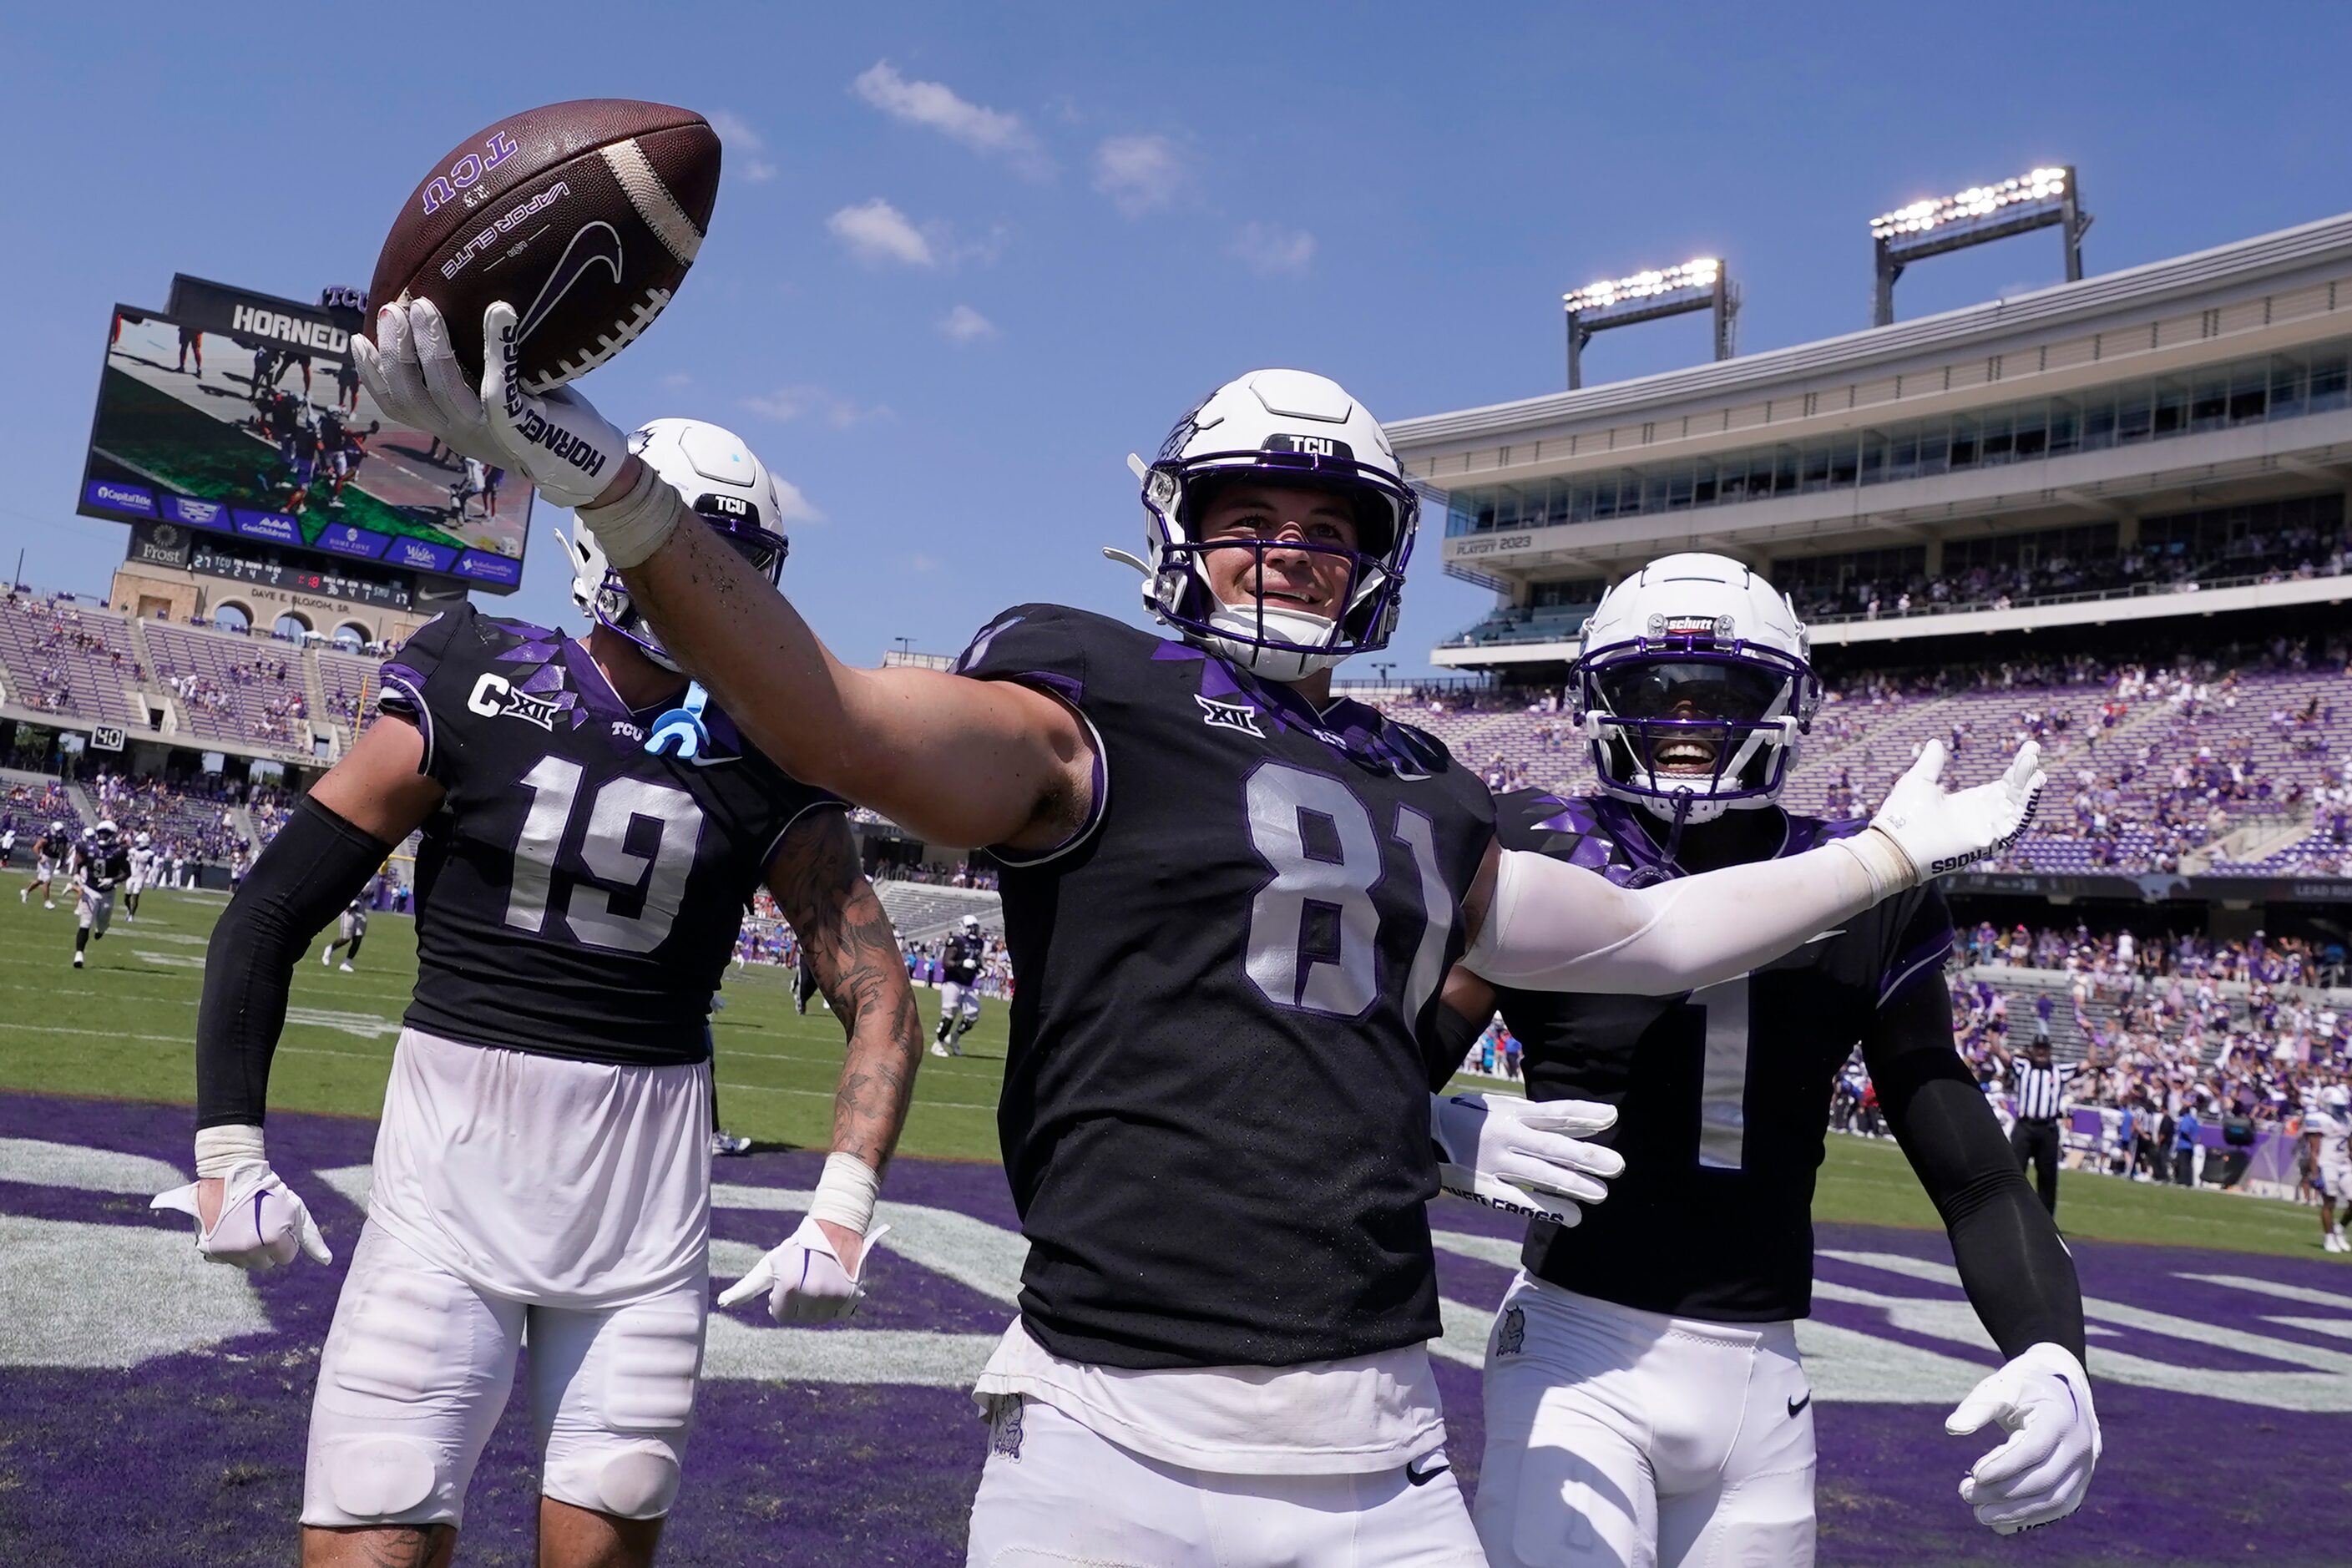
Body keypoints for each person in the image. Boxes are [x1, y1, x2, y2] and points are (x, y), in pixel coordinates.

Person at [361, 298, 2046, 1565]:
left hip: (1378, 1453)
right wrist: (623, 492)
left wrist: (1887, 851)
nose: (1290, 555)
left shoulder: (1422, 780)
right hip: (1110, 1433)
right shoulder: (1086, 690)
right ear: (1177, 522)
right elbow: (828, 724)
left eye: (1330, 534)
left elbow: (1650, 944)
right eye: (1252, 516)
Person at [150, 417, 927, 1568]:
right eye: (670, 542)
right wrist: (227, 1153)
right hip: (443, 1197)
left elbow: (880, 995)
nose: (686, 578)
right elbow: (269, 907)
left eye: (716, 554)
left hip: (643, 1221)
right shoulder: (477, 669)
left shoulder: (772, 746)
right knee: (373, 1531)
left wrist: (843, 1210)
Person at [1434, 555, 2096, 1565]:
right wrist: (1427, 1126)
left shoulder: (1878, 883)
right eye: (1651, 689)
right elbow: (1372, 1070)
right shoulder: (1535, 843)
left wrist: (2050, 1347)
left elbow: (1971, 1166)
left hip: (1762, 1373)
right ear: (1595, 699)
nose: (1684, 716)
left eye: (1722, 690)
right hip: (1574, 1350)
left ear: (1785, 704)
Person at [1998, 1034, 2089, 1216]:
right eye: (2037, 1048)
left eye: (2044, 1048)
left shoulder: (2059, 1071)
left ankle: (2046, 1220)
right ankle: (2009, 1213)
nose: (2041, 1052)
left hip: (2047, 1128)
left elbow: (2090, 1062)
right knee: (2015, 1170)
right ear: (2032, 1049)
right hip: (2025, 1126)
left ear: (2049, 1051)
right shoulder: (2023, 1067)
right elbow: (2001, 1053)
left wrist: (2092, 1035)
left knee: (2048, 1175)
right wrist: (1994, 1031)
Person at [71, 819, 133, 969]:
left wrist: (113, 880)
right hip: (90, 889)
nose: (104, 836)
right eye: (101, 833)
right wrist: (76, 875)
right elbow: (78, 864)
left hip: (108, 893)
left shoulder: (118, 851)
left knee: (103, 922)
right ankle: (79, 955)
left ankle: (101, 929)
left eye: (107, 834)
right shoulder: (87, 847)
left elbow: (127, 872)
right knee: (85, 923)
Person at [933, 912, 985, 1057]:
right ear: (964, 928)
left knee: (973, 1014)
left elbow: (976, 960)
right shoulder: (956, 941)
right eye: (971, 928)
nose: (974, 931)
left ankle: (953, 1038)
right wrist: (962, 963)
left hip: (968, 984)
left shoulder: (979, 943)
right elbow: (946, 963)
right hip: (953, 982)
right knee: (949, 1014)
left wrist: (980, 970)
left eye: (976, 928)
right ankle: (938, 1043)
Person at [2309, 1085, 2350, 1250]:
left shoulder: (2348, 1118)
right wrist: (2314, 1174)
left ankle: (2339, 1229)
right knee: (2330, 1201)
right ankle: (2329, 1237)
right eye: (2337, 1106)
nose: (2340, 1110)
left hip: (2345, 1163)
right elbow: (2314, 1149)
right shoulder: (2319, 1118)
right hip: (2327, 1164)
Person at [319, 879, 372, 972]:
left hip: (361, 913)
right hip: (349, 914)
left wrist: (365, 894)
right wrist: (353, 904)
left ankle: (346, 963)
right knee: (345, 939)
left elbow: (369, 895)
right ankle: (330, 949)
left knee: (358, 939)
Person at [21, 820, 67, 908]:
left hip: (54, 860)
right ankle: (47, 902)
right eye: (59, 831)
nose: (60, 833)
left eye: (61, 831)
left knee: (40, 880)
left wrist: (62, 861)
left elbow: (64, 851)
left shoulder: (64, 839)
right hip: (45, 859)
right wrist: (40, 857)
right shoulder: (47, 837)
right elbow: (35, 847)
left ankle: (26, 891)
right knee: (47, 881)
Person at [124, 830, 154, 923]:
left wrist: (152, 879)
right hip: (131, 876)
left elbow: (152, 866)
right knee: (126, 897)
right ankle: (129, 910)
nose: (136, 844)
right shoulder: (132, 851)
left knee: (135, 896)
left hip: (140, 876)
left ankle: (131, 915)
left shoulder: (149, 853)